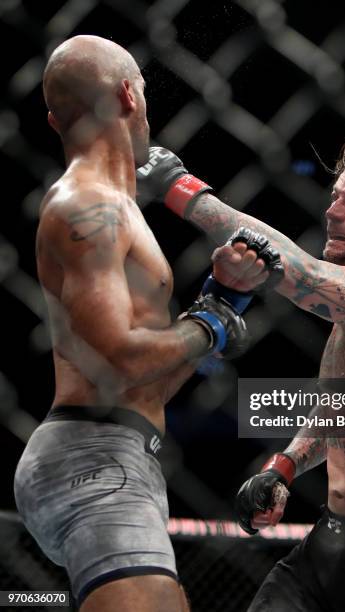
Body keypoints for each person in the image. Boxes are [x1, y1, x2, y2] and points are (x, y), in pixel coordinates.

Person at [13, 35, 283, 612]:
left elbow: (145, 378)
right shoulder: (89, 206)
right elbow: (121, 359)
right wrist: (208, 326)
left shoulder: (117, 206)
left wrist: (222, 301)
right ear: (129, 96)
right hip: (95, 459)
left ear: (55, 118)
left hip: (119, 451)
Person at [136, 143, 345, 610]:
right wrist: (285, 466)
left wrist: (179, 188)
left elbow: (296, 269)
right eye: (334, 197)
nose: (333, 212)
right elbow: (344, 410)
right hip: (328, 542)